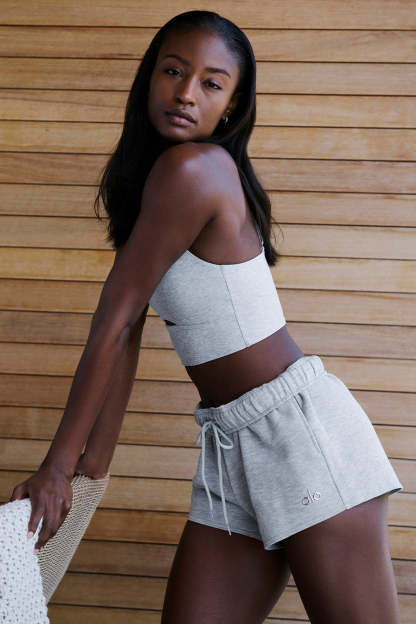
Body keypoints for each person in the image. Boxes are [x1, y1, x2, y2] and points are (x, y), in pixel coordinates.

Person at [9, 10, 403, 623]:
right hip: (230, 444)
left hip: (301, 439)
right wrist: (91, 471)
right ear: (150, 77)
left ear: (232, 104)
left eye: (211, 83)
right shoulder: (161, 180)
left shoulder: (193, 169)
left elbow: (116, 320)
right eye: (173, 71)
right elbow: (130, 331)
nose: (186, 93)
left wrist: (58, 469)